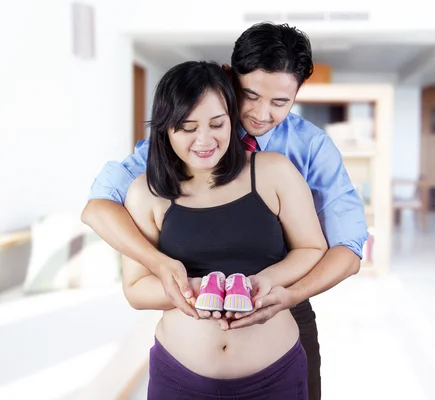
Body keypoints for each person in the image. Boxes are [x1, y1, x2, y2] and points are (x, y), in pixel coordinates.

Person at [81, 22, 369, 400]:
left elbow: (347, 251)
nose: (262, 114)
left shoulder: (307, 149)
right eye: (250, 95)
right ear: (231, 78)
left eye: (280, 102)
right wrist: (163, 265)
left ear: (296, 95)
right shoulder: (189, 137)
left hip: (284, 306)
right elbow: (98, 207)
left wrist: (287, 294)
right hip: (188, 348)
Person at [122, 60, 327, 398]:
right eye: (187, 128)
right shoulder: (145, 193)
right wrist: (192, 291)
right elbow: (135, 288)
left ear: (232, 120)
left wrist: (265, 281)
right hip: (179, 379)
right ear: (165, 129)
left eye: (217, 124)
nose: (205, 140)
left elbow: (312, 247)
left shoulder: (274, 172)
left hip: (275, 376)